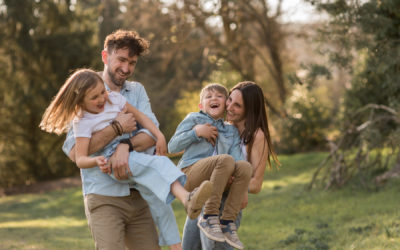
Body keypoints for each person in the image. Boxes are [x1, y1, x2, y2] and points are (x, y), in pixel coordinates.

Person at [39, 68, 213, 249]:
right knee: (158, 164)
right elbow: (80, 157)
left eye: (102, 92)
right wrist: (97, 159)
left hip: (131, 160)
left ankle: (176, 240)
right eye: (94, 97)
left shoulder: (114, 98)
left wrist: (159, 135)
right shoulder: (82, 121)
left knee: (157, 196)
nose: (101, 99)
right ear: (80, 100)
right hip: (112, 165)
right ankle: (186, 198)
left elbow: (141, 117)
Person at [54, 30, 180, 250]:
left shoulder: (137, 91)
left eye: (132, 62)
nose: (126, 68)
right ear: (105, 57)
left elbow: (151, 134)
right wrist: (117, 128)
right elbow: (76, 152)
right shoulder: (84, 90)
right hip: (103, 196)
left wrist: (125, 145)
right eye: (121, 60)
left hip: (139, 194)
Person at [181, 81, 280, 250]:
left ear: (249, 110)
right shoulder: (223, 127)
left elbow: (256, 184)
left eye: (237, 105)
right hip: (204, 196)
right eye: (230, 100)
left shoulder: (256, 136)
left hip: (225, 204)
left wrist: (231, 182)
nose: (229, 107)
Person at [168, 83, 253, 250]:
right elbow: (172, 147)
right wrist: (196, 132)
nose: (214, 98)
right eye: (208, 97)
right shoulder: (194, 119)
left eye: (219, 96)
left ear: (226, 105)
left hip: (211, 185)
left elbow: (237, 159)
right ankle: (210, 216)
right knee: (226, 160)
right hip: (191, 173)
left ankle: (228, 223)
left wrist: (241, 187)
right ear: (201, 105)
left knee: (244, 167)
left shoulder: (231, 131)